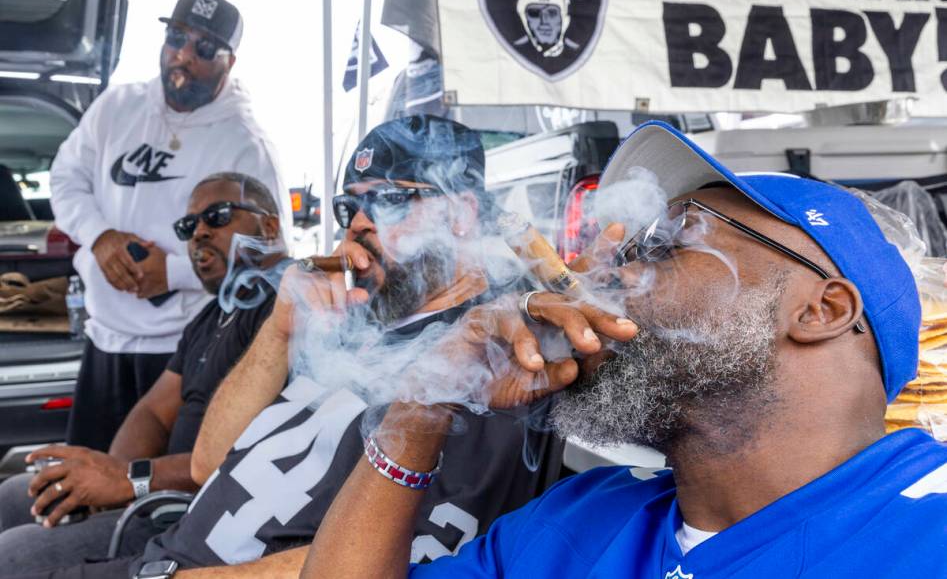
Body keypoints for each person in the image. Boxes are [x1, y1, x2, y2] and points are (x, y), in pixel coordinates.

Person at [300, 120, 947, 578]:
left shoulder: (927, 535)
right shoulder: (580, 517)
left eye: (664, 239)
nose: (597, 271)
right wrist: (421, 404)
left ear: (821, 310)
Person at [6, 116, 581, 579]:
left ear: (459, 215)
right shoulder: (349, 324)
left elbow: (413, 555)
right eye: (346, 208)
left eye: (382, 201)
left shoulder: (487, 353)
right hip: (167, 550)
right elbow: (209, 462)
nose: (355, 225)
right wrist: (281, 325)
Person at [0, 173, 287, 574]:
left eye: (217, 216)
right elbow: (154, 410)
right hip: (157, 496)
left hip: (207, 517)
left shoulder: (286, 310)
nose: (199, 233)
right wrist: (109, 479)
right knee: (14, 495)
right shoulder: (212, 315)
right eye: (189, 227)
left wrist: (130, 479)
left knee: (13, 557)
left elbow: (256, 455)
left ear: (269, 225)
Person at [49, 0, 292, 452]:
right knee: (83, 481)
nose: (183, 55)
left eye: (203, 48)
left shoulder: (246, 144)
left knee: (151, 493)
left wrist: (174, 272)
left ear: (229, 60)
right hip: (105, 343)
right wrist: (99, 237)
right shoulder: (116, 107)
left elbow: (272, 254)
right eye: (175, 38)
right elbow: (65, 178)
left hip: (179, 352)